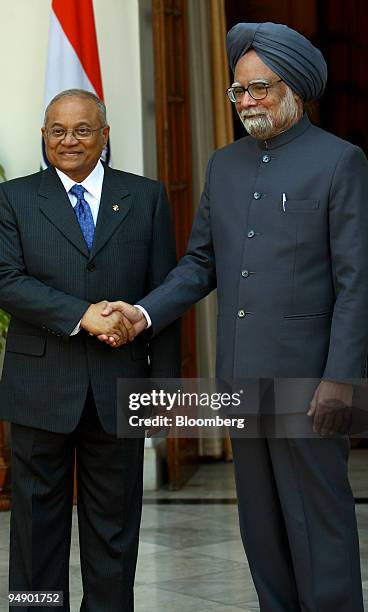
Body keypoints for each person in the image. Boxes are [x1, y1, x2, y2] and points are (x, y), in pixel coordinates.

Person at [98, 23, 368, 612]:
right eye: (237, 92)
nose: (247, 102)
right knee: (262, 529)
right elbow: (199, 265)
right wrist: (143, 313)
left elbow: (356, 282)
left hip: (311, 385)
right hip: (241, 381)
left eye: (259, 90)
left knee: (319, 529)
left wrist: (341, 380)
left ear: (293, 88)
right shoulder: (224, 166)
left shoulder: (340, 162)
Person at [0, 88, 180, 611]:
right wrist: (80, 314)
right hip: (39, 390)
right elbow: (6, 279)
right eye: (57, 131)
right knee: (35, 532)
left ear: (104, 135)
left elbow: (164, 296)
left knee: (114, 533)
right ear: (43, 137)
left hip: (119, 390)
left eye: (82, 130)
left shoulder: (146, 197)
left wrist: (163, 395)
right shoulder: (14, 198)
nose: (69, 141)